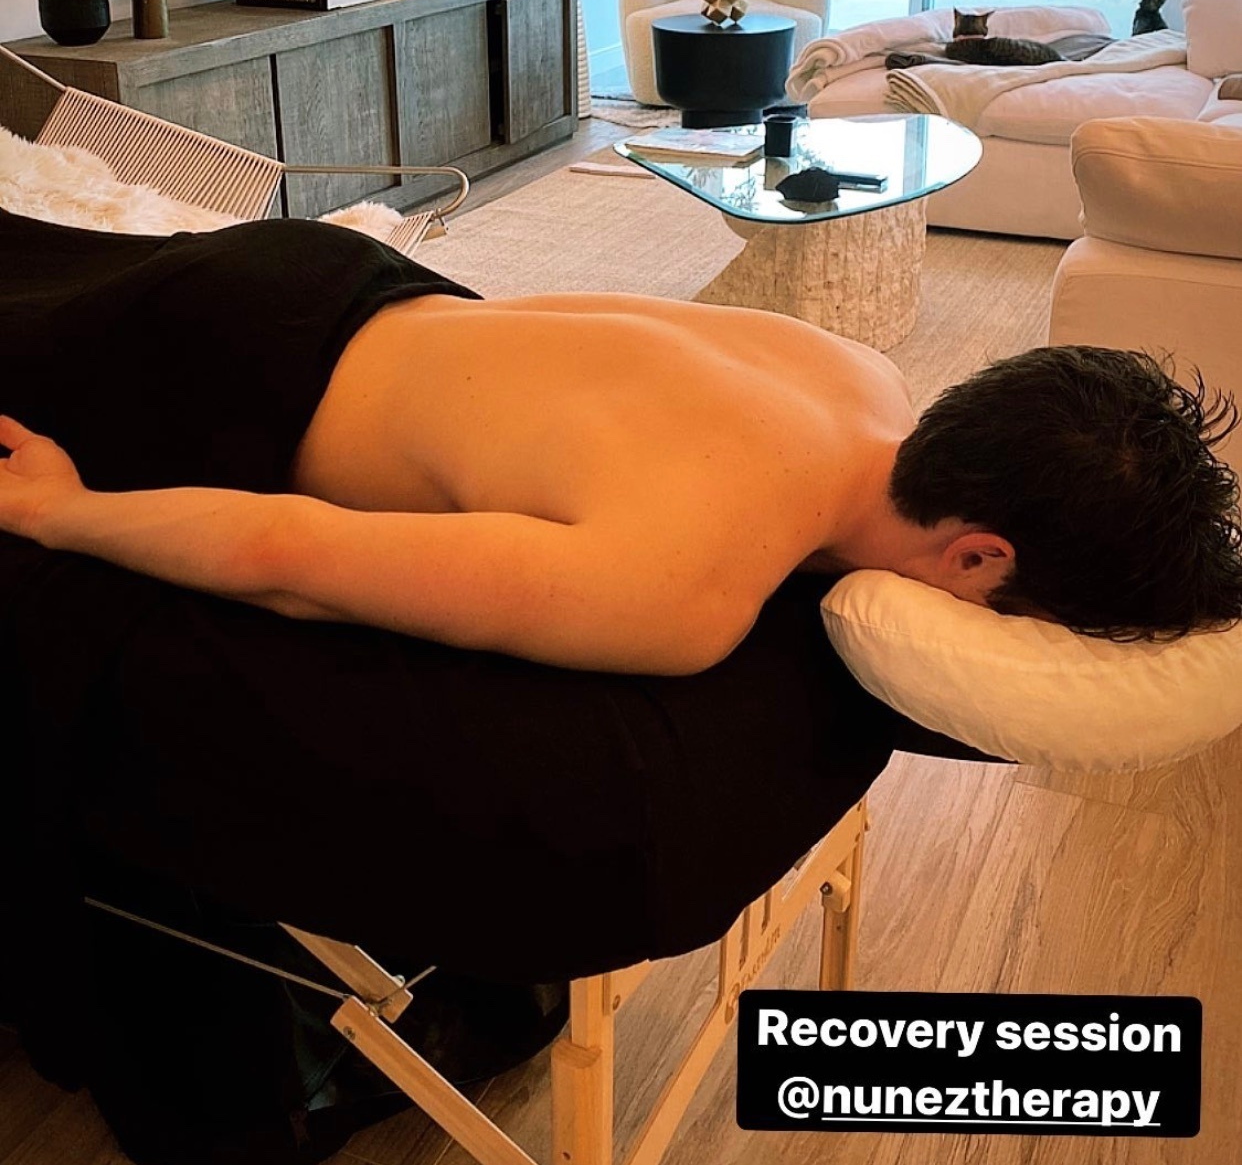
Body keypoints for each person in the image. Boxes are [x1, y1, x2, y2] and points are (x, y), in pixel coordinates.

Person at [1, 213, 1239, 675]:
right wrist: (61, 513)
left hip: (339, 272)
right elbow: (292, 559)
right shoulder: (686, 587)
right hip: (227, 377)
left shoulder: (858, 372)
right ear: (977, 559)